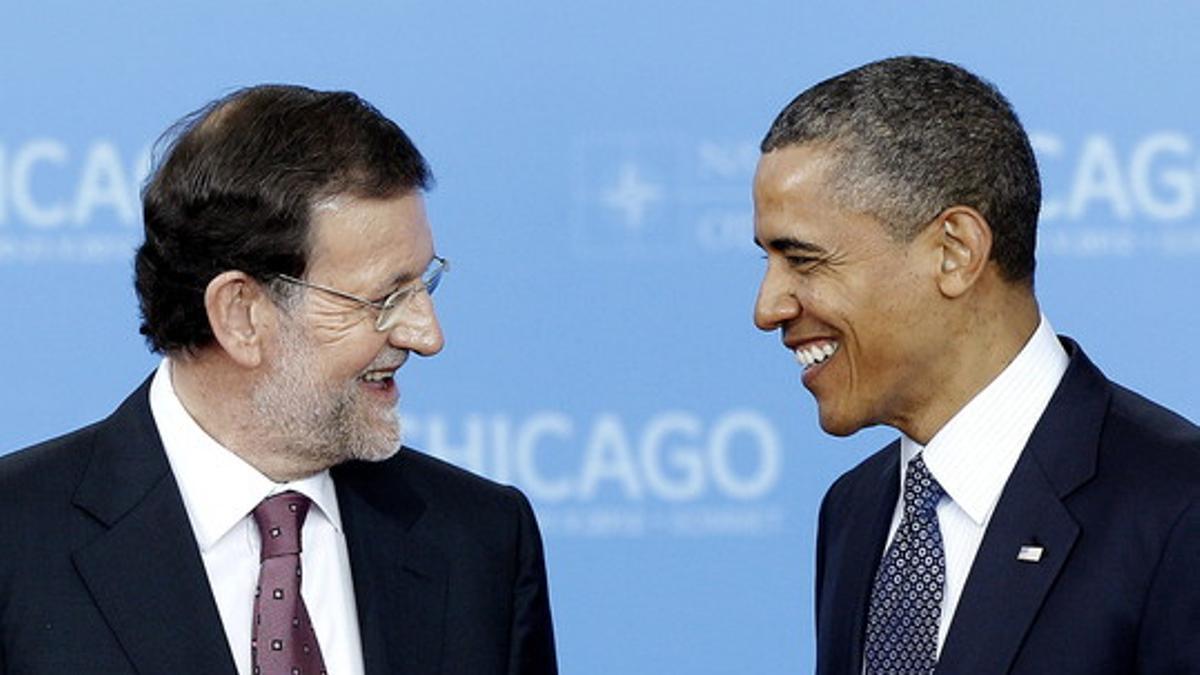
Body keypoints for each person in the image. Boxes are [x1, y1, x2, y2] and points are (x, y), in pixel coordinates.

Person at [0, 85, 557, 675]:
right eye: (386, 298)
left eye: (425, 285)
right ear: (241, 314)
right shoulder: (17, 539)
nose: (426, 335)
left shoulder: (480, 539)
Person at [753, 56, 1200, 674]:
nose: (768, 307)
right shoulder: (854, 510)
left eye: (802, 260)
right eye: (768, 261)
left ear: (955, 251)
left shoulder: (1178, 507)